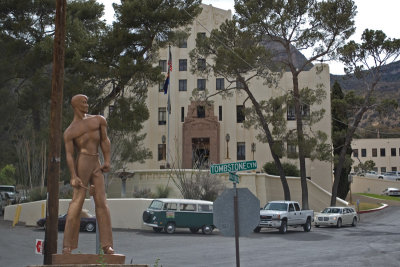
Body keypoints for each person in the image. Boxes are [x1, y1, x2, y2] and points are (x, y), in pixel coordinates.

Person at [62, 94, 114, 255]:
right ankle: (67, 245)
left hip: (96, 162)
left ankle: (107, 245)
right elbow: (70, 154)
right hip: (82, 162)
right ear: (75, 105)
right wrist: (73, 176)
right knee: (76, 202)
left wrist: (107, 160)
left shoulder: (98, 120)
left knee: (102, 203)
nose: (87, 104)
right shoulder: (70, 131)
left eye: (87, 101)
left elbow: (105, 140)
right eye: (83, 102)